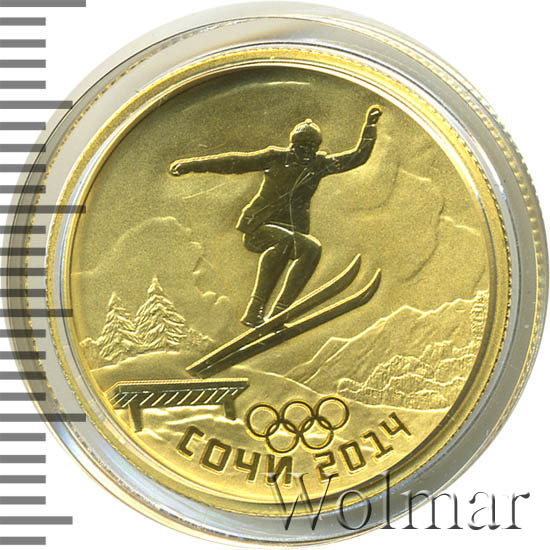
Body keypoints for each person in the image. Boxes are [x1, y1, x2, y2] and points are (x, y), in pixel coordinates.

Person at [169, 105, 382, 327]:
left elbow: (357, 158)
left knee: (308, 249)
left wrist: (370, 127)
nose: (306, 152)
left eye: (311, 148)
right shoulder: (275, 158)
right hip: (258, 227)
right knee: (293, 243)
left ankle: (278, 312)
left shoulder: (318, 165)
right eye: (302, 147)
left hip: (291, 232)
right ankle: (258, 309)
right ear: (293, 145)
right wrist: (191, 165)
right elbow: (234, 162)